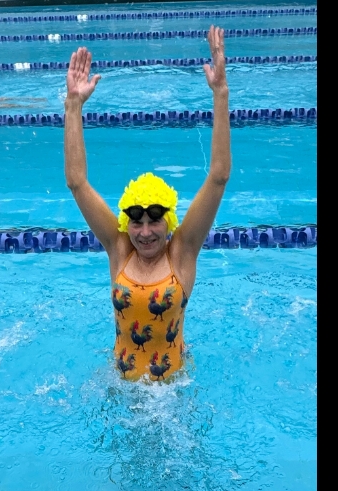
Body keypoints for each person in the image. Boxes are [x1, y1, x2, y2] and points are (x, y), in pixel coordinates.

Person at [64, 25, 231, 381]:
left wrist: (220, 93)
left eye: (154, 219)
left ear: (169, 220)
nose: (144, 232)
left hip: (172, 395)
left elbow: (218, 176)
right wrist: (73, 106)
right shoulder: (119, 249)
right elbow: (77, 183)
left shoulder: (182, 252)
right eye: (136, 221)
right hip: (118, 388)